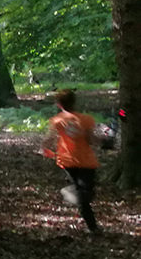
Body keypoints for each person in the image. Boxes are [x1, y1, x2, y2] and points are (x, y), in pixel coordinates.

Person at [40, 88, 101, 233]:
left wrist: (44, 149)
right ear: (74, 102)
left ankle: (72, 194)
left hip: (68, 161)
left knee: (85, 192)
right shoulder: (86, 120)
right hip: (84, 161)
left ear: (59, 104)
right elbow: (92, 140)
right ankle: (93, 228)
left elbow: (48, 140)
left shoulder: (58, 120)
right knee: (85, 194)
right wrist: (104, 141)